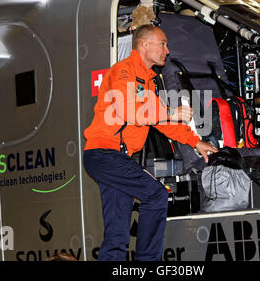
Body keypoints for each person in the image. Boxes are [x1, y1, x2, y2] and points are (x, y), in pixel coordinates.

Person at [83, 25, 217, 261]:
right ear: (144, 44)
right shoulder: (123, 71)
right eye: (162, 43)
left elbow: (160, 122)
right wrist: (171, 111)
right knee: (155, 195)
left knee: (117, 230)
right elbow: (130, 110)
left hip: (112, 157)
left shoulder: (148, 80)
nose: (167, 50)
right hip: (104, 154)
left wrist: (195, 142)